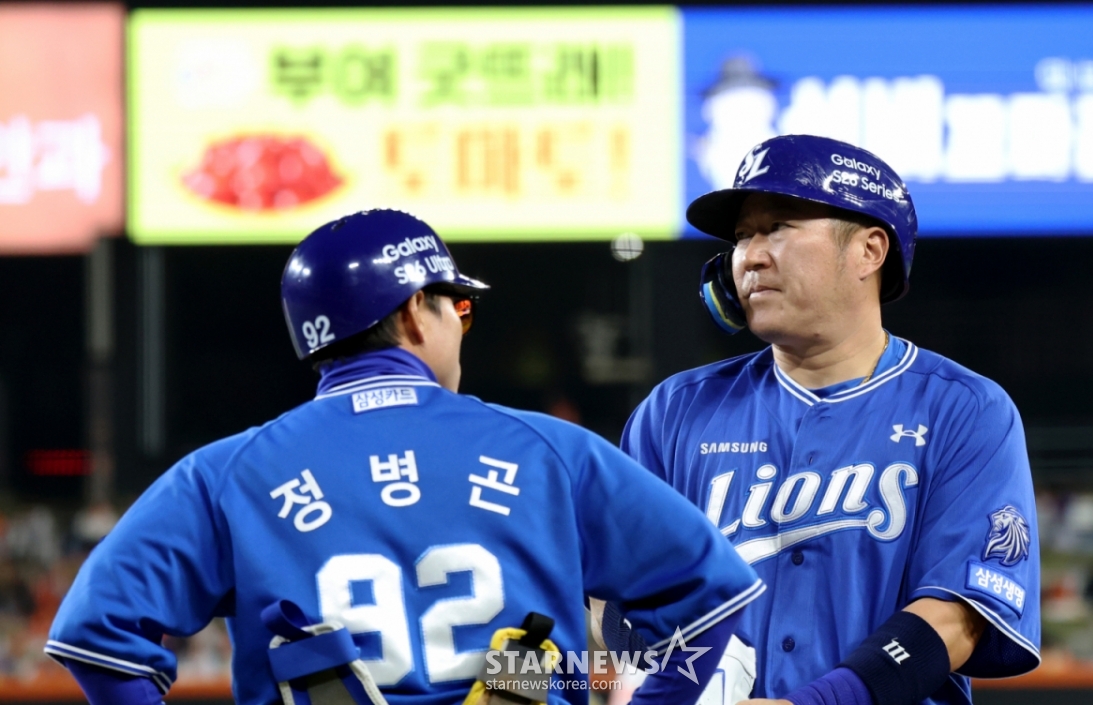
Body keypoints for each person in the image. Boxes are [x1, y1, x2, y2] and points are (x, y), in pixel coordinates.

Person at [46, 209, 764, 705]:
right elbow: (714, 594)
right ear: (416, 307)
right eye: (460, 308)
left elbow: (93, 632)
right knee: (532, 651)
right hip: (515, 696)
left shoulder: (227, 471)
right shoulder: (549, 448)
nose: (462, 325)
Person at [599, 135, 1040, 705]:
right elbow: (611, 602)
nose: (750, 256)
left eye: (778, 227)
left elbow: (960, 615)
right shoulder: (673, 412)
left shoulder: (964, 409)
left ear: (868, 252)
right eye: (741, 236)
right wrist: (678, 667)